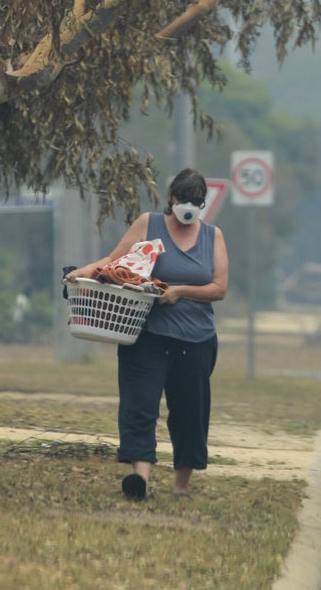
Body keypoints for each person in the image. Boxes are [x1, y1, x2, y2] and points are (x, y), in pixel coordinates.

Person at [65, 168, 228, 501]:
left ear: (202, 203)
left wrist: (180, 291)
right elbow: (114, 261)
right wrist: (83, 272)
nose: (189, 206)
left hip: (195, 339)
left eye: (196, 201)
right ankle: (139, 477)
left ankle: (181, 485)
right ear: (171, 198)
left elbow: (218, 288)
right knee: (140, 406)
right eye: (183, 199)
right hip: (146, 334)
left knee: (189, 414)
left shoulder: (213, 236)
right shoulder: (148, 224)